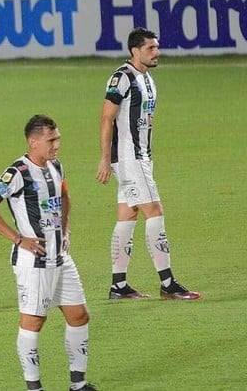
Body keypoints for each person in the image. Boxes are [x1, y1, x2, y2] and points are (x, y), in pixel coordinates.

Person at [0, 115, 96, 391]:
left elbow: (64, 196)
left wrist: (65, 229)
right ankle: (34, 388)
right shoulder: (17, 172)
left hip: (60, 257)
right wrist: (19, 238)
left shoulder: (56, 166)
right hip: (35, 261)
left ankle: (78, 384)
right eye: (51, 140)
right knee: (34, 321)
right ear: (33, 141)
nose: (57, 145)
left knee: (79, 315)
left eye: (58, 139)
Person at [96, 28, 200, 301]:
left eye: (157, 47)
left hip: (141, 157)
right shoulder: (122, 78)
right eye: (150, 48)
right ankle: (168, 284)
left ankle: (118, 286)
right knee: (154, 211)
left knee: (127, 215)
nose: (157, 52)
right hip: (129, 158)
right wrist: (105, 159)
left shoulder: (147, 79)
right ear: (135, 51)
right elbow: (106, 118)